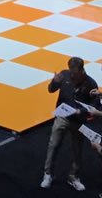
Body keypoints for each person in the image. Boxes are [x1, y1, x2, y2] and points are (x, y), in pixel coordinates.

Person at [42, 57, 97, 190]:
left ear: (82, 70)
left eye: (75, 73)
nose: (72, 75)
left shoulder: (91, 83)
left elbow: (95, 105)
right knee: (53, 144)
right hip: (62, 116)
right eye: (71, 72)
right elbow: (50, 89)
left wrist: (81, 111)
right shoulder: (65, 75)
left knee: (77, 149)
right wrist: (54, 82)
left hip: (78, 120)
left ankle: (73, 176)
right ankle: (47, 174)